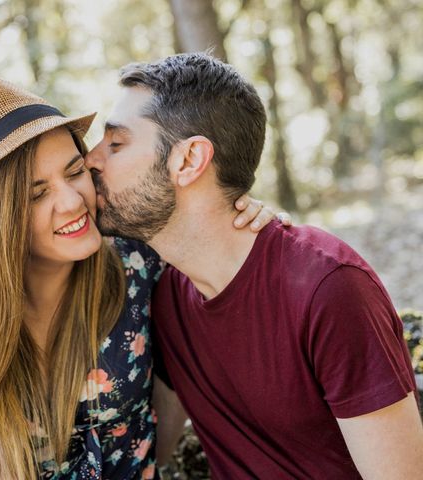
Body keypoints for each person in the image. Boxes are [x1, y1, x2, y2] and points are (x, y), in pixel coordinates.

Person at [0, 77, 279, 479]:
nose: (71, 201)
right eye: (36, 193)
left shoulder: (139, 260)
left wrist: (246, 214)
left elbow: (218, 247)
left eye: (74, 170)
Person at [84, 52, 423, 479]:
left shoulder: (327, 289)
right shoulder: (167, 295)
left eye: (115, 143)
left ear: (189, 161)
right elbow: (153, 449)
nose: (91, 159)